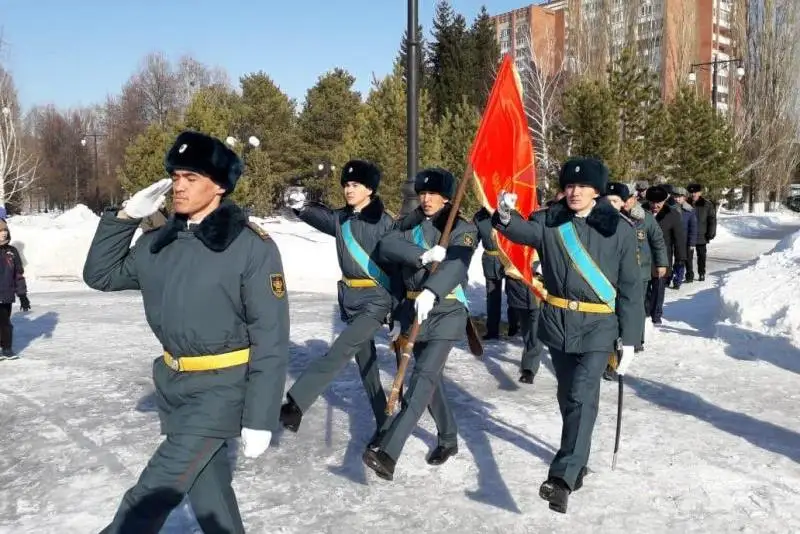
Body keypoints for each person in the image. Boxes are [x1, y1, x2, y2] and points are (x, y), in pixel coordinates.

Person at [83, 130, 290, 534]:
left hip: (222, 389)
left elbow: (271, 335)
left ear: (220, 186)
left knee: (149, 495)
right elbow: (100, 275)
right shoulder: (159, 243)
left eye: (191, 178)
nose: (179, 186)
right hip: (174, 385)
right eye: (176, 176)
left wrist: (262, 415)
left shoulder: (250, 247)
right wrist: (125, 218)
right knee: (209, 493)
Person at [492, 157, 642, 514]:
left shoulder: (618, 229)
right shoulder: (550, 221)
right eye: (570, 186)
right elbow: (521, 232)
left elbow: (632, 287)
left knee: (580, 395)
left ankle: (560, 479)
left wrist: (632, 337)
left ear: (597, 191)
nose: (574, 192)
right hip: (558, 324)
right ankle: (578, 461)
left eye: (583, 186)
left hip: (598, 326)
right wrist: (504, 216)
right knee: (568, 398)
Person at [278, 160, 418, 447]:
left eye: (355, 185)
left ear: (369, 188)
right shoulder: (341, 219)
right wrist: (300, 207)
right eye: (346, 184)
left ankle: (296, 402)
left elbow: (399, 269)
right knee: (365, 364)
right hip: (351, 300)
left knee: (341, 349)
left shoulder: (386, 223)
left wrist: (399, 311)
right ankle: (386, 423)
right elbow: (321, 217)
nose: (348, 189)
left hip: (376, 300)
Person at [363, 168, 477, 481]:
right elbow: (387, 247)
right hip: (413, 311)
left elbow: (457, 265)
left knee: (422, 379)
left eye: (432, 193)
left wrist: (433, 289)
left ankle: (388, 451)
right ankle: (449, 438)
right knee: (432, 381)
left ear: (447, 196)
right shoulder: (408, 224)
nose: (426, 199)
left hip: (446, 309)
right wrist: (424, 256)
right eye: (422, 193)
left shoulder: (462, 227)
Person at [605, 181, 667, 359]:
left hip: (640, 270)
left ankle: (637, 339)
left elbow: (657, 241)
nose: (624, 204)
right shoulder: (613, 216)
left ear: (633, 198)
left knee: (636, 305)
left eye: (627, 200)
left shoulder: (645, 218)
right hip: (615, 270)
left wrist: (661, 264)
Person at [642, 185, 686, 324]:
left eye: (658, 202)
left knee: (659, 287)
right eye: (652, 202)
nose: (655, 205)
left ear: (664, 201)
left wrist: (680, 259)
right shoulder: (640, 211)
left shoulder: (672, 214)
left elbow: (679, 238)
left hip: (662, 257)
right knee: (643, 287)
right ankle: (646, 310)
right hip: (642, 256)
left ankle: (656, 314)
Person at [473, 207, 518, 339]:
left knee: (513, 294)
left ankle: (514, 328)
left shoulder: (511, 212)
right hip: (490, 260)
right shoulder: (480, 217)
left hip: (511, 259)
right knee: (492, 297)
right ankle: (492, 330)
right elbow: (473, 239)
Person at [0, 219, 30, 360]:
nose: (3, 233)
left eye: (5, 230)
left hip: (6, 294)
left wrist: (22, 295)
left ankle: (6, 348)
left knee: (5, 323)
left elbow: (18, 275)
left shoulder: (11, 252)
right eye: (0, 231)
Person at [686, 183, 716, 282]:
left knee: (701, 255)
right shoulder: (686, 204)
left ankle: (701, 273)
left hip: (702, 234)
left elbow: (712, 219)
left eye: (695, 192)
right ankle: (689, 274)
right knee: (688, 256)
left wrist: (711, 233)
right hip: (688, 234)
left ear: (700, 193)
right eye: (691, 192)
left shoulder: (707, 204)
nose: (693, 194)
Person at [669, 186, 697, 289]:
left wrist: (692, 243)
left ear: (684, 197)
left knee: (680, 260)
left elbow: (693, 228)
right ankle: (667, 278)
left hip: (683, 241)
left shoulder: (689, 210)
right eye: (675, 197)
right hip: (669, 239)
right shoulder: (668, 209)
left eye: (680, 197)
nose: (677, 199)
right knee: (667, 260)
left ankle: (677, 280)